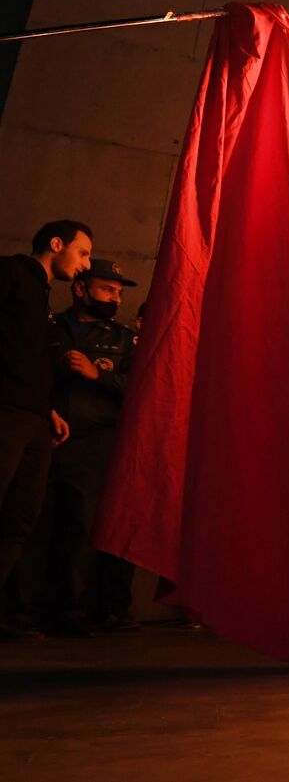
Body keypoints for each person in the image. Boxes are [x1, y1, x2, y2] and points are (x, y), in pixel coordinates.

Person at [0, 220, 91, 638]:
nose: (86, 264)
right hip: (8, 412)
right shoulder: (13, 274)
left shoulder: (44, 301)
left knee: (20, 519)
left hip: (34, 418)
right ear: (57, 244)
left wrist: (48, 410)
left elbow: (29, 359)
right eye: (83, 252)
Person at [44, 259, 140, 635]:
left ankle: (79, 614)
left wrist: (97, 374)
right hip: (46, 438)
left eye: (118, 292)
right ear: (80, 288)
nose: (114, 299)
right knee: (36, 528)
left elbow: (145, 388)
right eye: (106, 289)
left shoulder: (123, 339)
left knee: (83, 528)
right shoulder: (50, 329)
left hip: (98, 445)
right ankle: (25, 613)